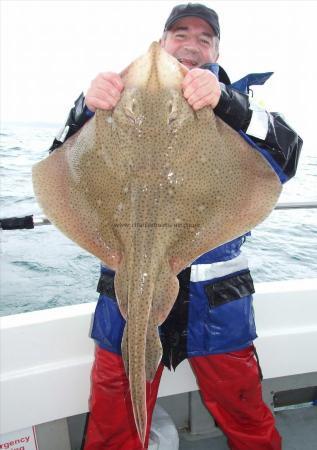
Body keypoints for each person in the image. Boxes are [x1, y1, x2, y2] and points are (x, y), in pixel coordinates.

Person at [49, 3, 302, 449]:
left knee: (244, 413)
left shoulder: (239, 103)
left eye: (204, 38)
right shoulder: (113, 98)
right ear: (164, 42)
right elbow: (60, 158)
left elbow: (289, 153)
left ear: (217, 51)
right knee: (114, 422)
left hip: (217, 307)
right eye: (180, 34)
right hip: (124, 298)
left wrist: (227, 102)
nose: (191, 44)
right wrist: (85, 108)